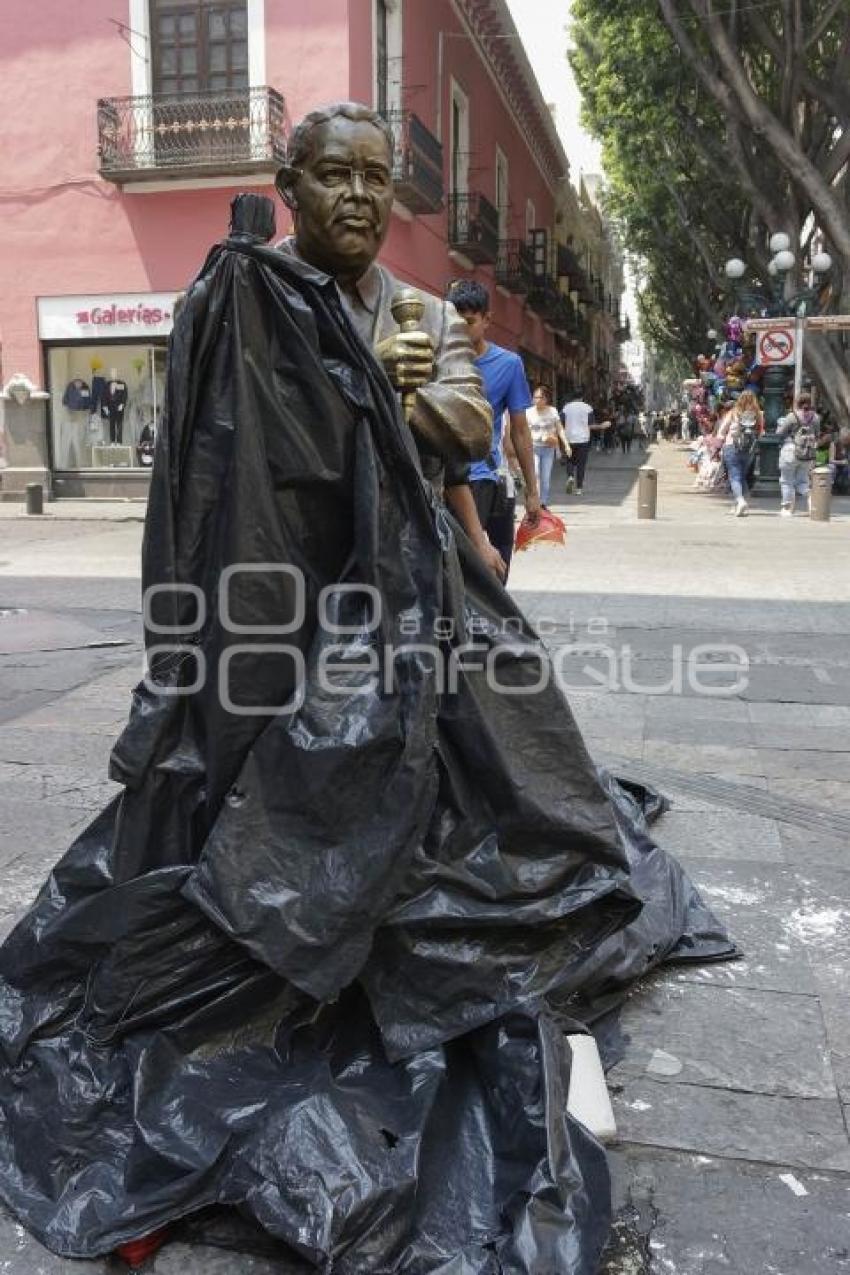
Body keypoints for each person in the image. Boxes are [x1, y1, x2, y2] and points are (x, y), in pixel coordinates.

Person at [444, 279, 541, 579]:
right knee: (452, 570)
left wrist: (533, 492)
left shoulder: (509, 364)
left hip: (482, 479)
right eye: (455, 319)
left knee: (492, 570)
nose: (461, 327)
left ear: (487, 320)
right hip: (440, 478)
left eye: (469, 321)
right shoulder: (436, 358)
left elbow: (520, 431)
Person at [717, 390, 763, 517]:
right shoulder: (758, 415)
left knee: (734, 477)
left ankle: (740, 501)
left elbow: (721, 431)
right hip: (749, 449)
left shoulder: (733, 413)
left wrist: (718, 446)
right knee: (741, 476)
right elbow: (760, 432)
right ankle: (736, 505)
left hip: (732, 446)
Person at [776, 392, 821, 516]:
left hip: (790, 451)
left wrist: (780, 425)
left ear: (797, 403)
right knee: (802, 481)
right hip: (807, 453)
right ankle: (810, 496)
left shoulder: (792, 416)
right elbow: (817, 435)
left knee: (786, 481)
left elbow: (780, 432)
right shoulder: (816, 418)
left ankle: (786, 508)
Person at [526, 383, 565, 507]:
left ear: (546, 399)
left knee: (546, 479)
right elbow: (524, 432)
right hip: (534, 447)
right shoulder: (528, 412)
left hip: (548, 449)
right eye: (535, 397)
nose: (536, 400)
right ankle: (536, 502)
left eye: (539, 397)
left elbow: (559, 429)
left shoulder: (553, 411)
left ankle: (543, 502)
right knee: (536, 474)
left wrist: (566, 444)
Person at [561, 387, 595, 494]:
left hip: (569, 438)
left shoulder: (566, 408)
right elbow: (591, 424)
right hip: (583, 439)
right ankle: (579, 488)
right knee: (581, 464)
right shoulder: (588, 408)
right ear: (582, 397)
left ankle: (570, 476)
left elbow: (560, 422)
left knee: (570, 461)